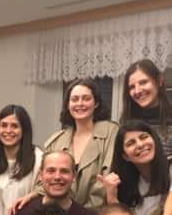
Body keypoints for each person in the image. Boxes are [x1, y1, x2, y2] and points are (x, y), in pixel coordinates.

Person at [42, 79, 118, 207]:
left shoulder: (111, 132)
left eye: (86, 98)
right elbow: (44, 181)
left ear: (96, 103)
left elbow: (106, 178)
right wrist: (32, 195)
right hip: (60, 213)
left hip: (98, 213)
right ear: (68, 105)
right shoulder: (56, 141)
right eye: (74, 99)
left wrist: (81, 214)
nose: (80, 103)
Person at [119, 59, 172, 156]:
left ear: (159, 81)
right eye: (132, 87)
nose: (137, 91)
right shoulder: (126, 123)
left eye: (143, 82)